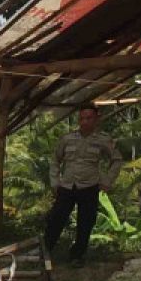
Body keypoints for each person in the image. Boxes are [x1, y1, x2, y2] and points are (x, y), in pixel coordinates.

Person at [44, 106, 123, 267]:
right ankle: (45, 251)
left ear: (96, 119)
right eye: (82, 118)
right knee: (56, 219)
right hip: (67, 186)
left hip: (89, 186)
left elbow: (116, 160)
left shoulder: (103, 139)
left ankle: (77, 255)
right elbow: (55, 160)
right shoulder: (67, 139)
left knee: (85, 222)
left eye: (89, 118)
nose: (85, 122)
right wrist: (55, 181)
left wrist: (107, 181)